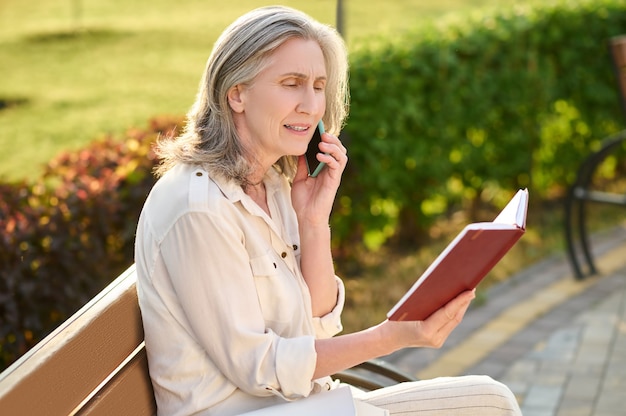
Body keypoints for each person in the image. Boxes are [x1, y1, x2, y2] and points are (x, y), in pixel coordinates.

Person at [134, 5, 522, 415]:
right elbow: (259, 368)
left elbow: (315, 325)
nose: (311, 105)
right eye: (291, 83)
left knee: (493, 401)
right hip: (253, 410)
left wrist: (313, 221)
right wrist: (393, 336)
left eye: (318, 86)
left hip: (302, 403)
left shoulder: (271, 183)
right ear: (237, 93)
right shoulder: (199, 209)